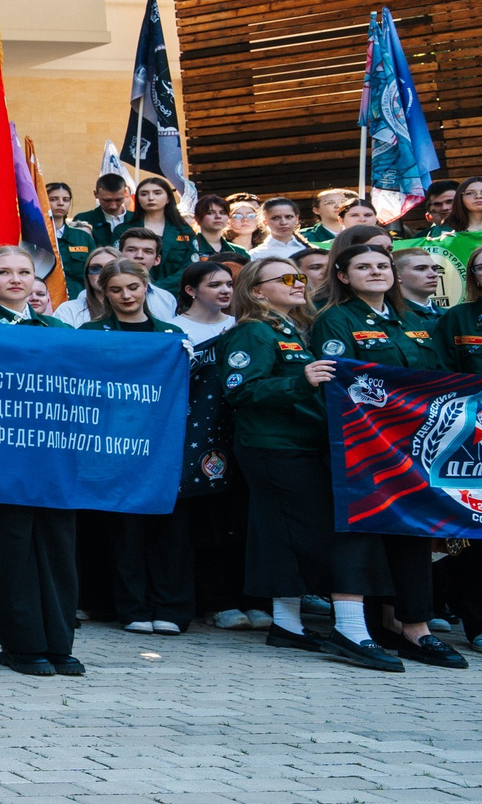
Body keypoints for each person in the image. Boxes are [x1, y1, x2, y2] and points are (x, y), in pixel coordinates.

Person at [222, 256, 389, 665]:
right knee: (321, 531)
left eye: (301, 276)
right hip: (275, 446)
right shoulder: (255, 331)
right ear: (257, 290)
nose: (300, 283)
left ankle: (287, 625)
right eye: (287, 278)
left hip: (299, 443)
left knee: (280, 532)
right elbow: (240, 391)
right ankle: (349, 628)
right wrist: (301, 380)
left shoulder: (292, 328)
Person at [311, 241, 462, 667]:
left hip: (411, 448)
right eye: (363, 266)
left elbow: (436, 381)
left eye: (382, 265)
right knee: (359, 534)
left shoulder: (412, 320)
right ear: (343, 276)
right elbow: (342, 383)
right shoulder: (335, 320)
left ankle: (416, 629)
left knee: (413, 534)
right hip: (360, 446)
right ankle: (353, 629)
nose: (376, 272)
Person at [0, 245, 82, 677]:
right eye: (4, 272)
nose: (16, 279)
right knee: (9, 552)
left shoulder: (56, 328)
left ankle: (59, 644)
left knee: (58, 552)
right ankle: (22, 644)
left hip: (53, 459)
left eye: (24, 272)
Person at [80, 261, 194, 635]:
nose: (126, 296)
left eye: (133, 287)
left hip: (160, 445)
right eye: (116, 290)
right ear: (104, 293)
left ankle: (172, 608)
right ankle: (131, 608)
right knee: (123, 530)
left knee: (168, 528)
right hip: (111, 444)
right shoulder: (91, 332)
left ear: (147, 287)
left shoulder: (171, 334)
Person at [170, 259, 255, 632]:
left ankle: (249, 598)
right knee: (206, 521)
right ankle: (216, 601)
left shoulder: (242, 328)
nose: (224, 291)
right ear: (190, 290)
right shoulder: (173, 329)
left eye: (228, 284)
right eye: (215, 284)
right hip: (192, 440)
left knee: (240, 518)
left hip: (240, 433)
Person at [58, 173, 133, 284]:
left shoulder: (137, 219)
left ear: (126, 193)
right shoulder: (83, 219)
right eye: (106, 200)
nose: (113, 205)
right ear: (95, 194)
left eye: (118, 199)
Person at [119, 176, 196, 280]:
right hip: (132, 291)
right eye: (144, 194)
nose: (151, 198)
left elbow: (190, 267)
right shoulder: (123, 230)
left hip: (174, 292)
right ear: (137, 199)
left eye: (157, 193)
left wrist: (159, 288)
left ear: (168, 198)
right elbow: (117, 263)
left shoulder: (185, 231)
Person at [188, 194, 250, 264]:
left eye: (222, 213)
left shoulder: (239, 252)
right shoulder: (187, 248)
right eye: (210, 213)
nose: (218, 216)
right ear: (197, 218)